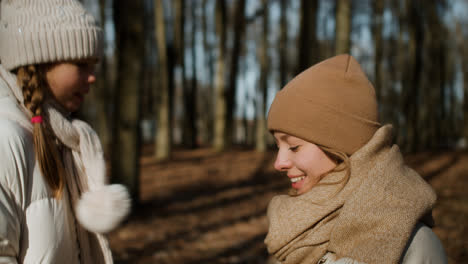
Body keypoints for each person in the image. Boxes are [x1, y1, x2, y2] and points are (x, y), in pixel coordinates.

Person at [264, 54, 447, 264]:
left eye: (294, 147)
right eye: (278, 147)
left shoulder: (413, 245)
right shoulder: (291, 232)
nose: (278, 163)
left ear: (339, 143)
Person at [0, 0, 130, 263]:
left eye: (94, 64)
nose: (93, 76)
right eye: (81, 64)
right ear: (39, 61)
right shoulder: (6, 140)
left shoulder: (62, 138)